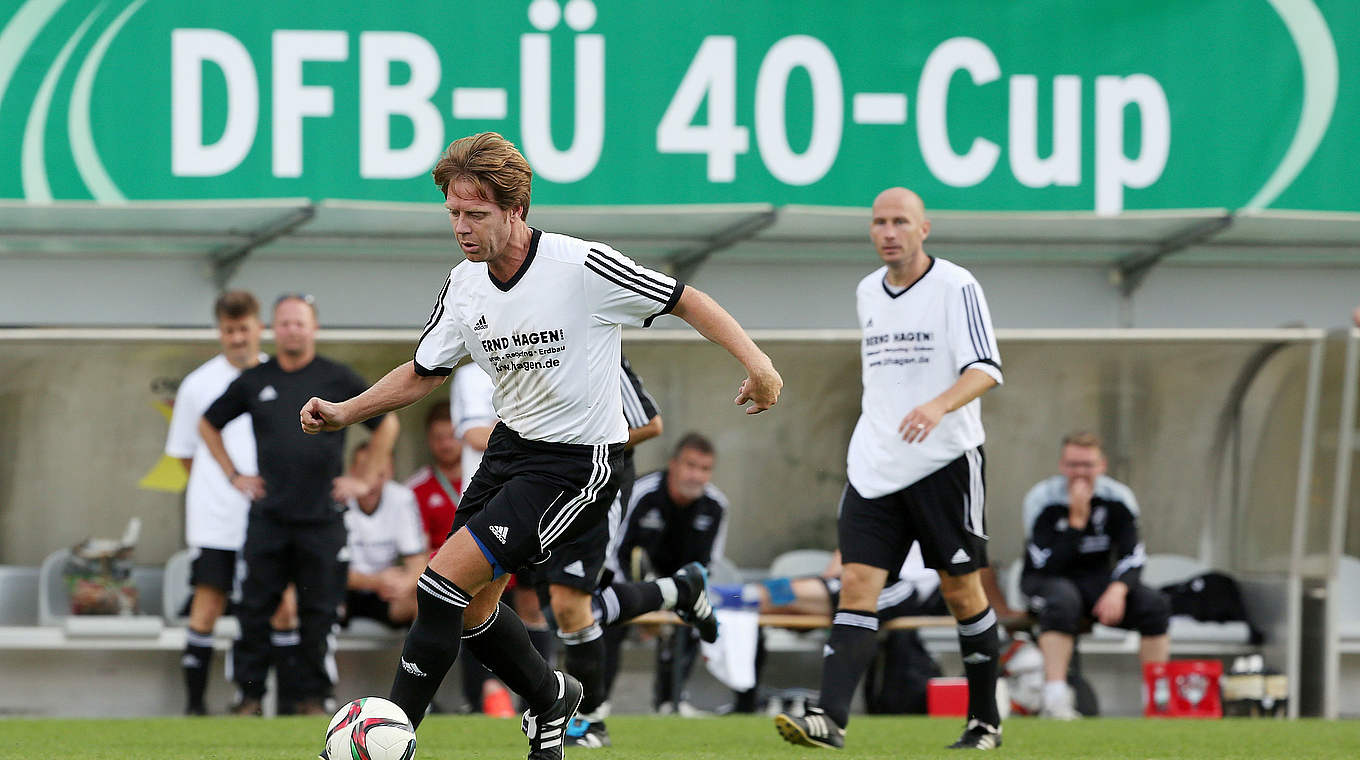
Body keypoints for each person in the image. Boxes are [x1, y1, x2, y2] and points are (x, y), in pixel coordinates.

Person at [298, 132, 781, 760]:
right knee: (471, 606)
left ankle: (389, 740)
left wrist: (759, 364)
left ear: (515, 209)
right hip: (509, 451)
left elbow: (687, 299)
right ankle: (550, 695)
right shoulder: (465, 284)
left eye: (476, 213)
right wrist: (345, 412)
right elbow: (423, 370)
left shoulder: (580, 267)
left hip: (577, 462)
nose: (462, 228)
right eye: (453, 213)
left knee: (438, 585)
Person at [774, 187, 1004, 751]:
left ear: (925, 228)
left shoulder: (956, 286)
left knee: (963, 593)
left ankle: (985, 722)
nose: (888, 231)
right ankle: (829, 720)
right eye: (879, 222)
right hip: (875, 466)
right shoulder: (866, 292)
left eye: (900, 221)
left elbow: (987, 369)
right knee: (855, 586)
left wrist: (937, 405)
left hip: (945, 462)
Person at [200, 294, 400, 716]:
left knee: (320, 612)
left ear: (314, 328)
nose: (293, 329)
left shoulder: (338, 378)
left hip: (322, 520)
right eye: (285, 323)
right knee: (254, 611)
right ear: (273, 329)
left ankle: (315, 699)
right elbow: (208, 423)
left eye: (300, 323)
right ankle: (249, 697)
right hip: (268, 518)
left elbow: (388, 422)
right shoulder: (255, 379)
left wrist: (363, 478)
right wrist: (234, 476)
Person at [1019, 431, 1171, 719]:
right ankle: (1056, 699)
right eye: (1073, 465)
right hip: (1047, 580)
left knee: (1154, 604)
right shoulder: (1043, 500)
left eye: (1087, 465)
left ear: (1101, 466)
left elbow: (1133, 556)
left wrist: (1118, 589)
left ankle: (1156, 699)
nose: (1080, 473)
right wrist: (1076, 522)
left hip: (1097, 581)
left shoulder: (1118, 499)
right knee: (1063, 599)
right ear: (1062, 465)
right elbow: (1045, 564)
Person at [164, 290, 266, 715]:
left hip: (266, 517)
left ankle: (250, 700)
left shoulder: (277, 374)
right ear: (219, 332)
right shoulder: (197, 385)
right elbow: (186, 453)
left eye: (244, 329)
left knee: (263, 608)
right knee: (206, 606)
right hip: (214, 518)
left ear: (259, 328)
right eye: (229, 331)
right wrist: (222, 486)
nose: (238, 339)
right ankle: (194, 706)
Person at [613, 432, 728, 715]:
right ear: (673, 464)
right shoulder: (643, 491)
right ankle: (597, 702)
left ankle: (670, 702)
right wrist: (641, 598)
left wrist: (672, 601)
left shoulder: (716, 506)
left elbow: (708, 566)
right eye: (690, 466)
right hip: (628, 584)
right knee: (608, 617)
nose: (696, 476)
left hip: (681, 590)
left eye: (705, 469)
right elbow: (615, 552)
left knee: (695, 617)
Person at [343, 443, 427, 627]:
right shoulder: (337, 499)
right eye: (364, 471)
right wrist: (374, 581)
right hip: (344, 592)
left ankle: (417, 656)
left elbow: (418, 563)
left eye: (380, 473)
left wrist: (404, 583)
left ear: (390, 473)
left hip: (387, 594)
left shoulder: (401, 498)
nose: (371, 481)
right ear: (351, 471)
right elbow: (327, 570)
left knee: (425, 600)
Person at [405, 401, 462, 553]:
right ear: (428, 439)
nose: (446, 445)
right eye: (438, 438)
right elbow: (418, 554)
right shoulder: (415, 489)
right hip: (442, 573)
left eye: (452, 436)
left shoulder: (493, 479)